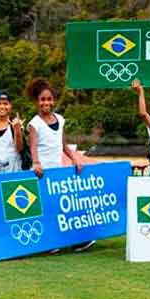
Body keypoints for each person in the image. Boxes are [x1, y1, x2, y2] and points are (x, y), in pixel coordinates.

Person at [26, 78, 93, 253]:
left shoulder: (61, 120)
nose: (46, 103)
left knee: (63, 206)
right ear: (37, 102)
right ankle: (49, 244)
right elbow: (32, 147)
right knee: (46, 209)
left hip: (58, 174)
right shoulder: (34, 124)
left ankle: (77, 241)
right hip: (42, 173)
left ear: (54, 100)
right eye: (42, 99)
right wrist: (36, 163)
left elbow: (63, 145)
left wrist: (75, 158)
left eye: (49, 99)